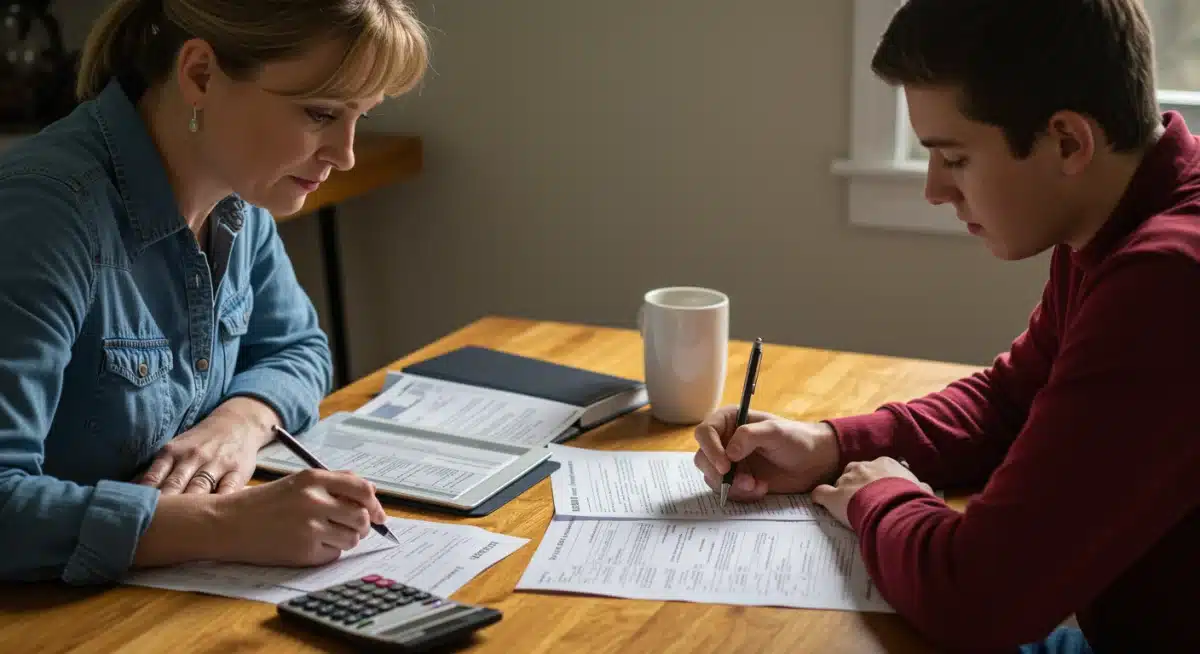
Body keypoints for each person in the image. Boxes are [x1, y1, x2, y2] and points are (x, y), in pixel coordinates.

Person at [693, 1, 1199, 652]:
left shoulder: (1167, 281)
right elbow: (1010, 401)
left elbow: (975, 596)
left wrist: (883, 497)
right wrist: (827, 444)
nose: (935, 189)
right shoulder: (1119, 223)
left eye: (954, 158)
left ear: (1069, 142)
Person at [0, 0, 428, 584]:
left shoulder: (237, 192)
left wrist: (240, 422)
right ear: (200, 74)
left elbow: (298, 349)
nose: (346, 155)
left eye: (362, 118)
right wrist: (225, 524)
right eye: (321, 114)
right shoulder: (42, 216)